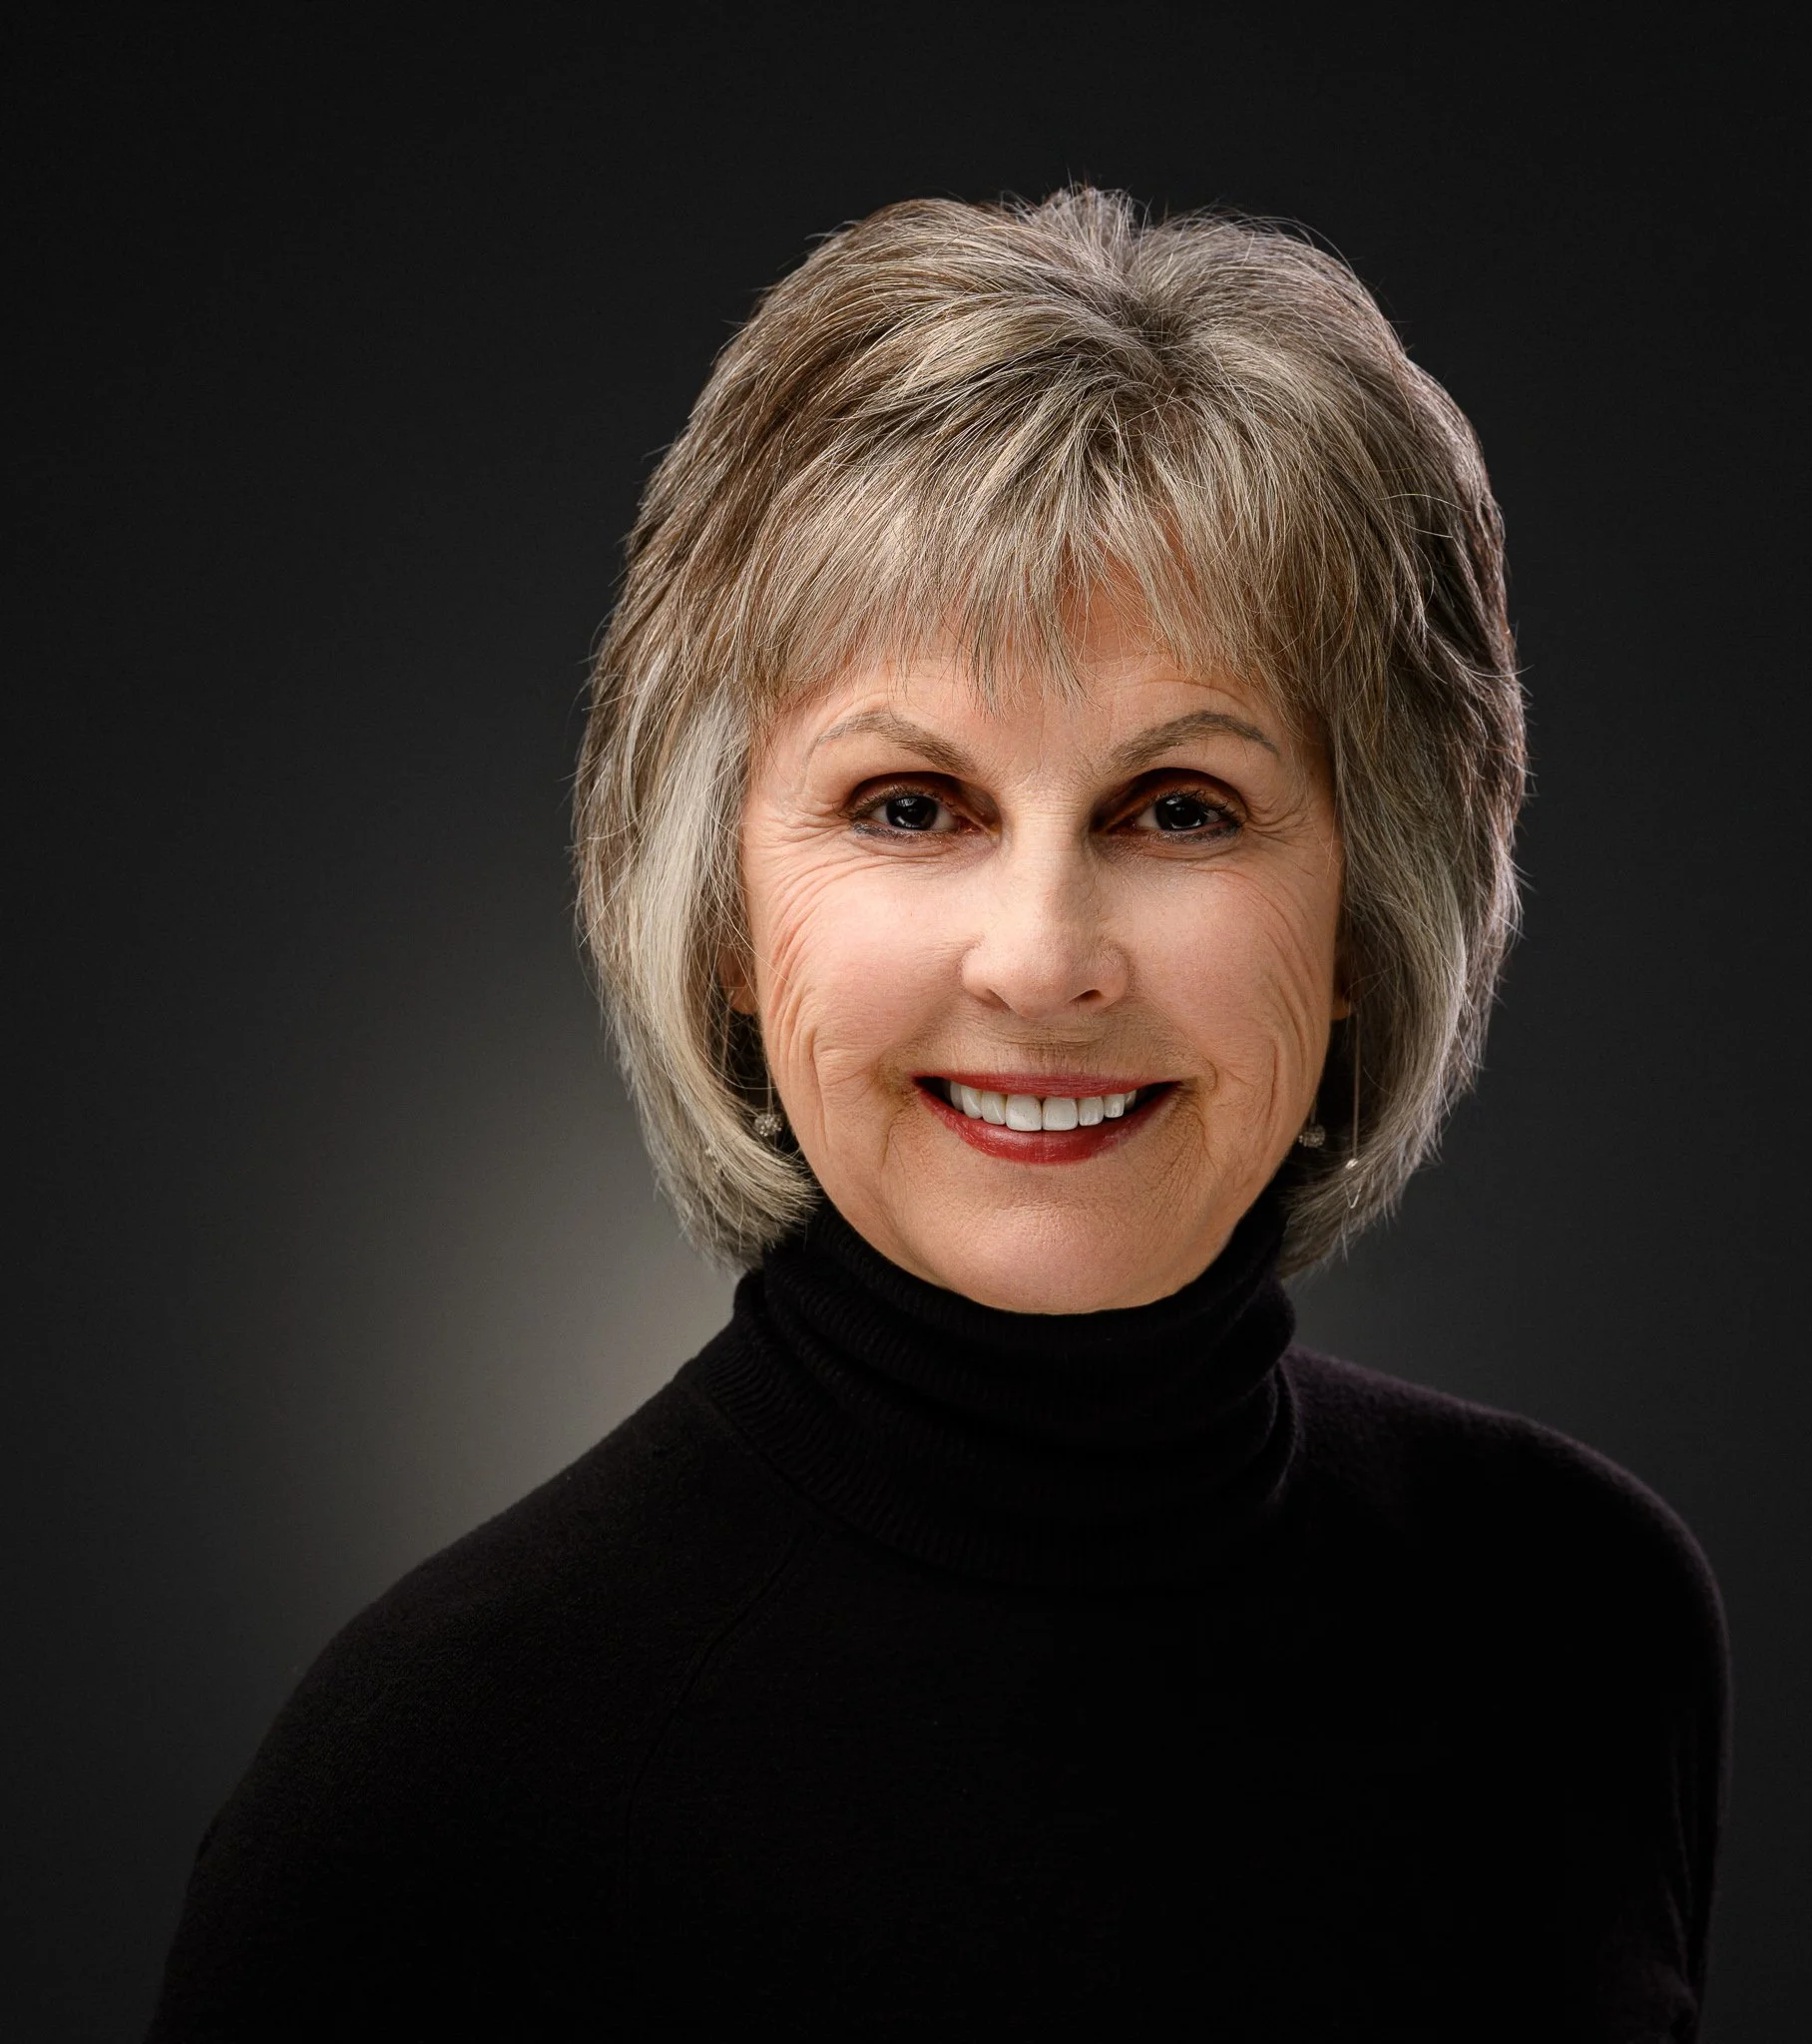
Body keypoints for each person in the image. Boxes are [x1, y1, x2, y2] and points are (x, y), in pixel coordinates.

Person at [149, 188, 1727, 2039]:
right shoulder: (422, 1802)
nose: (1044, 959)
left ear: (1369, 918)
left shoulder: (1585, 1623)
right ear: (729, 920)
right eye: (912, 806)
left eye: (1181, 810)